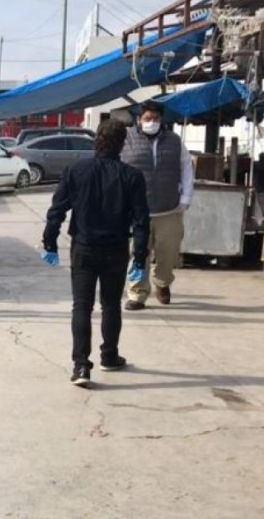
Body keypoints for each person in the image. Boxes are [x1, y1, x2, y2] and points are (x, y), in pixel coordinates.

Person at [41, 119, 150, 387]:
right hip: (115, 248)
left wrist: (50, 241)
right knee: (111, 305)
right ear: (123, 143)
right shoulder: (132, 176)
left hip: (84, 246)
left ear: (96, 140)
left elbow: (58, 209)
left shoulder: (76, 170)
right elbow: (141, 220)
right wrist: (139, 255)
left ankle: (81, 366)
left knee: (82, 305)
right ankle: (109, 356)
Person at [120, 100, 194, 310]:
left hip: (169, 209)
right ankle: (137, 293)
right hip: (136, 210)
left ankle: (162, 283)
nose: (152, 122)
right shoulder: (127, 140)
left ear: (162, 120)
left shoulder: (174, 141)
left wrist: (186, 197)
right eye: (147, 119)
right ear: (138, 120)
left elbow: (186, 168)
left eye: (156, 119)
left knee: (168, 252)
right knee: (138, 252)